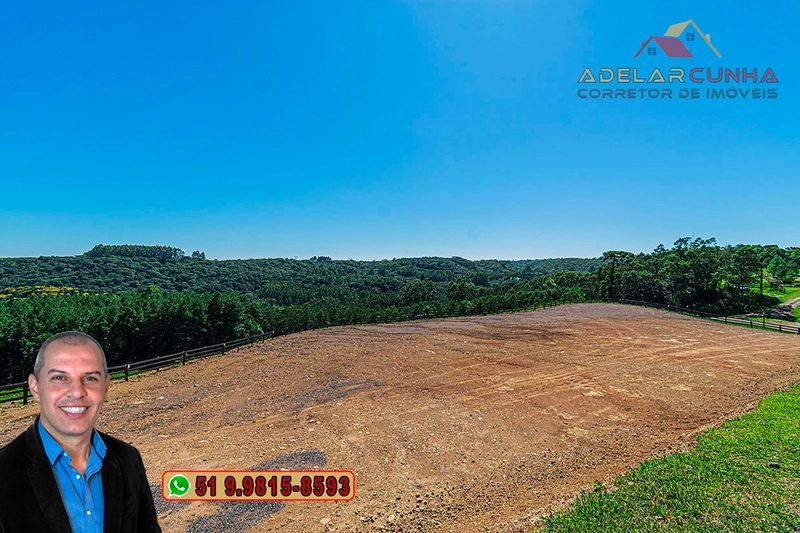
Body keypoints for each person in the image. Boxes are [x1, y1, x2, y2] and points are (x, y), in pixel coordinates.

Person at [0, 331, 162, 533]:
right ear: (35, 387)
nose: (77, 392)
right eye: (59, 377)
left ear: (105, 388)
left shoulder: (129, 459)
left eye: (90, 378)